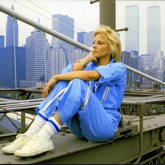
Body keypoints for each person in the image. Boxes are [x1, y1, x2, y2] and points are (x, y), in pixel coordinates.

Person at [2, 25, 127, 157]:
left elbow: (90, 76)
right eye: (94, 42)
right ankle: (30, 134)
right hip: (81, 129)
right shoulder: (89, 65)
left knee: (77, 82)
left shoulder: (119, 68)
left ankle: (44, 136)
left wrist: (55, 77)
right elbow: (67, 72)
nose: (94, 46)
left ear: (111, 47)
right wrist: (86, 59)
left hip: (103, 127)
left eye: (100, 43)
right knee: (64, 81)